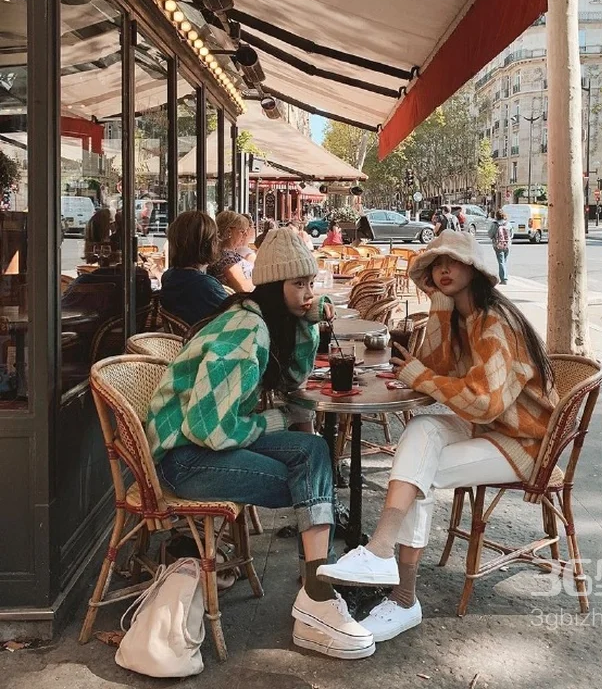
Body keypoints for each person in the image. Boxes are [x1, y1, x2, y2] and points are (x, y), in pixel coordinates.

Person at [316, 230, 557, 642]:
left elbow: (484, 401)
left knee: (419, 472)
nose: (444, 270)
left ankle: (403, 596)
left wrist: (422, 377)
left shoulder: (495, 322)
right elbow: (435, 365)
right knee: (421, 430)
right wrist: (439, 307)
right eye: (436, 265)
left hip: (523, 441)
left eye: (453, 262)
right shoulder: (462, 316)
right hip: (489, 427)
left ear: (474, 269)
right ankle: (381, 552)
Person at [146, 226, 375, 659]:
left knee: (314, 452)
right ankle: (318, 596)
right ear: (274, 285)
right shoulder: (244, 330)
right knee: (308, 485)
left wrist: (307, 323)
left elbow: (293, 380)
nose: (309, 293)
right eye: (299, 284)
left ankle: (316, 585)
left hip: (202, 447)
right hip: (183, 459)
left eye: (310, 283)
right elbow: (208, 428)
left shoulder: (263, 320)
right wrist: (273, 420)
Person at [158, 211, 227, 326]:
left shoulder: (169, 276)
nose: (218, 241)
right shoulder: (205, 285)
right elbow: (236, 318)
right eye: (216, 237)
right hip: (207, 335)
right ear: (208, 245)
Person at [207, 210, 255, 292]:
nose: (246, 235)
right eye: (242, 231)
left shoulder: (227, 254)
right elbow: (243, 287)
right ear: (229, 231)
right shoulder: (226, 258)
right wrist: (260, 275)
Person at [488, 209, 513, 284]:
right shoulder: (508, 224)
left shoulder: (495, 224)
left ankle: (503, 279)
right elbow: (511, 235)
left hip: (498, 245)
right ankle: (505, 276)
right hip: (507, 244)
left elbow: (490, 234)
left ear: (497, 216)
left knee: (501, 261)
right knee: (504, 261)